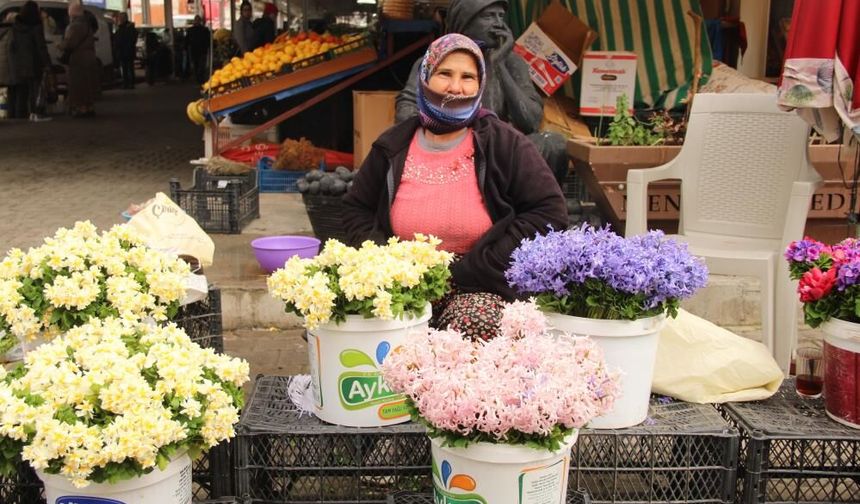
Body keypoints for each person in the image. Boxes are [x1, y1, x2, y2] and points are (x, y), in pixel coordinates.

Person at [342, 34, 568, 340]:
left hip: (479, 284)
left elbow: (548, 212)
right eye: (445, 74)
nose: (455, 87)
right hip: (403, 284)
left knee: (472, 326)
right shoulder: (393, 145)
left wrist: (483, 264)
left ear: (480, 84)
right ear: (425, 77)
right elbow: (356, 208)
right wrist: (386, 264)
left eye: (467, 77)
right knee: (354, 326)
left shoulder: (504, 143)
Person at [395, 0, 569, 185]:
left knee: (553, 143)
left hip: (497, 149)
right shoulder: (435, 61)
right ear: (465, 21)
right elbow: (406, 111)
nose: (498, 24)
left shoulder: (511, 62)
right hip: (451, 147)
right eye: (488, 16)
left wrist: (497, 64)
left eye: (500, 16)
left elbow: (531, 123)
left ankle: (529, 199)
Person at [7, 0, 51, 121]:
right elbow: (41, 46)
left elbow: (12, 45)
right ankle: (35, 113)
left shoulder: (15, 26)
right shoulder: (36, 26)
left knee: (22, 90)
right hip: (34, 62)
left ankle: (20, 116)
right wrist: (47, 63)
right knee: (35, 89)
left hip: (18, 62)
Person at [59, 2, 97, 117]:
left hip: (78, 58)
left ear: (72, 13)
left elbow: (69, 43)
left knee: (78, 85)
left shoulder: (74, 26)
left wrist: (59, 45)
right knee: (88, 84)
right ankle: (89, 107)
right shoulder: (87, 24)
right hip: (89, 56)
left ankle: (81, 108)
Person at [113, 12, 137, 89]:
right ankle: (126, 83)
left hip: (127, 51)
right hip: (123, 51)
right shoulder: (121, 28)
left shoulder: (128, 28)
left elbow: (131, 40)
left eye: (121, 18)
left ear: (125, 18)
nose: (120, 19)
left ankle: (130, 83)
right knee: (125, 68)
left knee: (129, 68)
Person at [185, 15, 210, 85]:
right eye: (196, 20)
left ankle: (199, 78)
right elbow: (187, 40)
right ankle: (199, 78)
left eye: (198, 20)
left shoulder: (192, 30)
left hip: (199, 50)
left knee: (199, 65)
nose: (197, 21)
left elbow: (187, 40)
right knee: (198, 65)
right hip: (198, 50)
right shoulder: (204, 30)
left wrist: (186, 47)